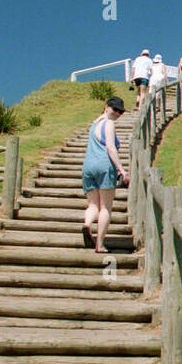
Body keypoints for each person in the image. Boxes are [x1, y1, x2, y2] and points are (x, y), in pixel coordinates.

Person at [81, 96, 129, 254]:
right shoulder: (109, 124)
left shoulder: (95, 123)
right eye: (115, 109)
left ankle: (87, 224)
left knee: (93, 205)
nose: (117, 113)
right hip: (104, 166)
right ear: (106, 107)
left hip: (88, 167)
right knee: (106, 207)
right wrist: (122, 170)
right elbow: (110, 148)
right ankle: (100, 244)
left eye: (120, 112)